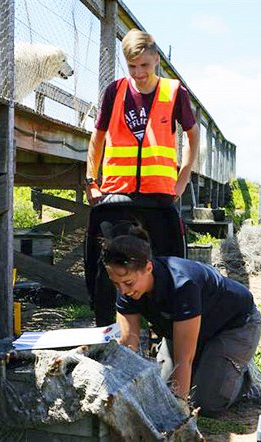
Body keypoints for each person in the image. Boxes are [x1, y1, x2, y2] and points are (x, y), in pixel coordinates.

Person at [84, 28, 200, 326]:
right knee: (108, 265)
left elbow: (192, 135)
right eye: (132, 67)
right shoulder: (115, 91)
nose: (139, 73)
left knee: (164, 265)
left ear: (156, 60)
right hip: (116, 194)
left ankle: (163, 329)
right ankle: (106, 330)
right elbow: (97, 137)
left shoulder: (174, 93)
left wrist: (184, 175)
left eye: (145, 66)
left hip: (159, 195)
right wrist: (90, 180)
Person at [102, 225, 261, 417]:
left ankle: (244, 376)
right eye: (115, 284)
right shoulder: (125, 289)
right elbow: (128, 345)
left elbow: (183, 359)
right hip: (184, 330)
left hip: (233, 325)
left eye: (128, 283)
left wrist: (176, 414)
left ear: (148, 268)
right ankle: (210, 367)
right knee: (162, 393)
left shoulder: (182, 285)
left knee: (204, 402)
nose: (122, 291)